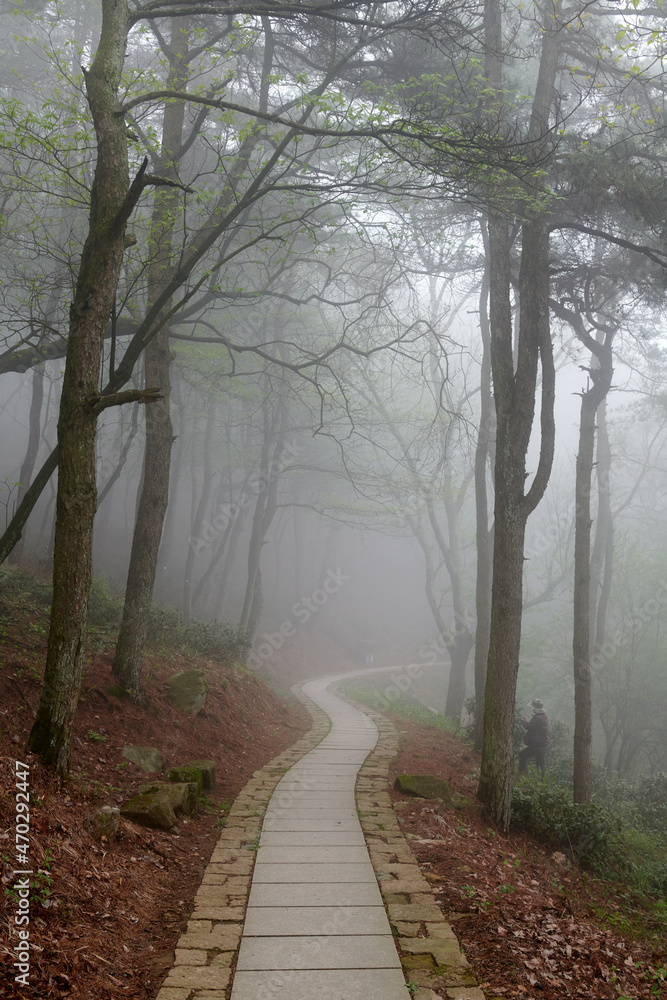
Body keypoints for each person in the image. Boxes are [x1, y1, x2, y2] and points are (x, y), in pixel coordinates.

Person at [519, 699, 549, 775]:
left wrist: (523, 720)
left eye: (533, 708)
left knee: (541, 766)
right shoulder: (543, 717)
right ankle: (523, 774)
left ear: (536, 709)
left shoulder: (537, 718)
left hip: (539, 746)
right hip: (537, 745)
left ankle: (544, 784)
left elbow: (528, 726)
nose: (532, 709)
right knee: (523, 755)